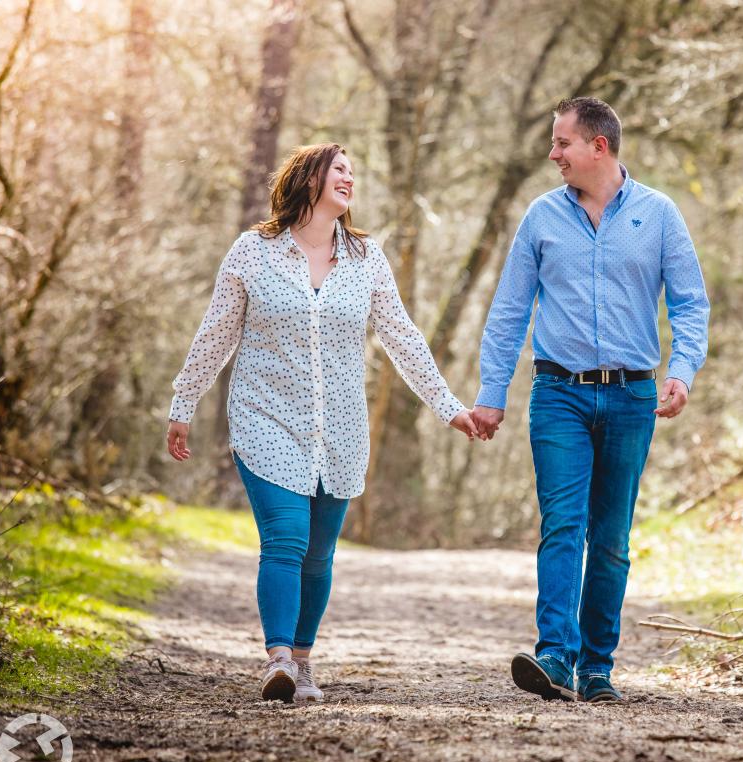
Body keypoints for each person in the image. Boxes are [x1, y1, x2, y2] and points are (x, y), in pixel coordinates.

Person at [165, 143, 478, 703]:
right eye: (338, 169)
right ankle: (278, 659)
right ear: (308, 178)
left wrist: (448, 407)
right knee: (286, 536)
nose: (348, 178)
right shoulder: (253, 252)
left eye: (352, 171)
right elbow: (217, 333)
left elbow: (402, 337)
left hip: (339, 427)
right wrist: (183, 403)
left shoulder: (366, 258)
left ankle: (303, 663)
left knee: (318, 553)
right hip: (265, 416)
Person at [471, 98, 710, 703]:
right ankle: (555, 655)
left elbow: (689, 304)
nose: (553, 155)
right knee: (562, 526)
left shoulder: (659, 215)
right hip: (558, 395)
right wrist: (491, 394)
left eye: (562, 144)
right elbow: (508, 311)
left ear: (598, 147)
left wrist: (681, 370)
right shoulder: (541, 218)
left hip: (633, 396)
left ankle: (597, 666)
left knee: (609, 538)